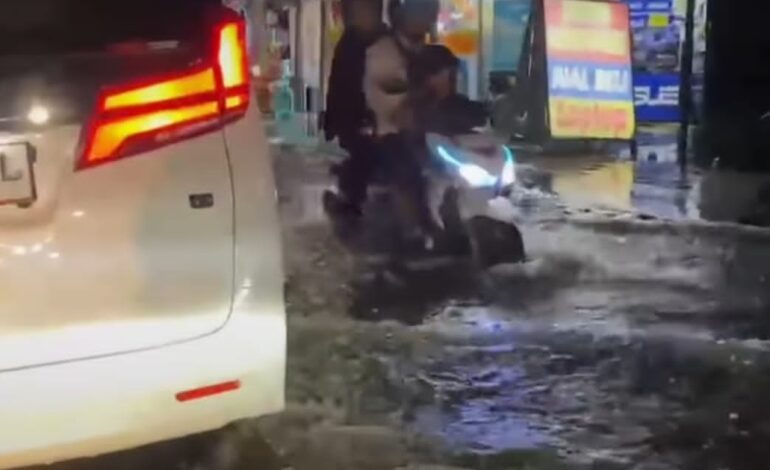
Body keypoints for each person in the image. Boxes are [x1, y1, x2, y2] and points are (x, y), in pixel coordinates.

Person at [361, 0, 441, 243]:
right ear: (400, 16)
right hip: (388, 133)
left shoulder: (431, 54)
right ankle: (412, 228)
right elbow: (396, 107)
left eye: (430, 12)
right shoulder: (382, 54)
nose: (426, 19)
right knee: (406, 169)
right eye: (420, 12)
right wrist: (424, 92)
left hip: (428, 133)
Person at [323, 0, 387, 218]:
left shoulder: (387, 41)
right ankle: (350, 203)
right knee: (361, 156)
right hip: (356, 119)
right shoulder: (349, 44)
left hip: (388, 117)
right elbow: (338, 85)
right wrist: (333, 122)